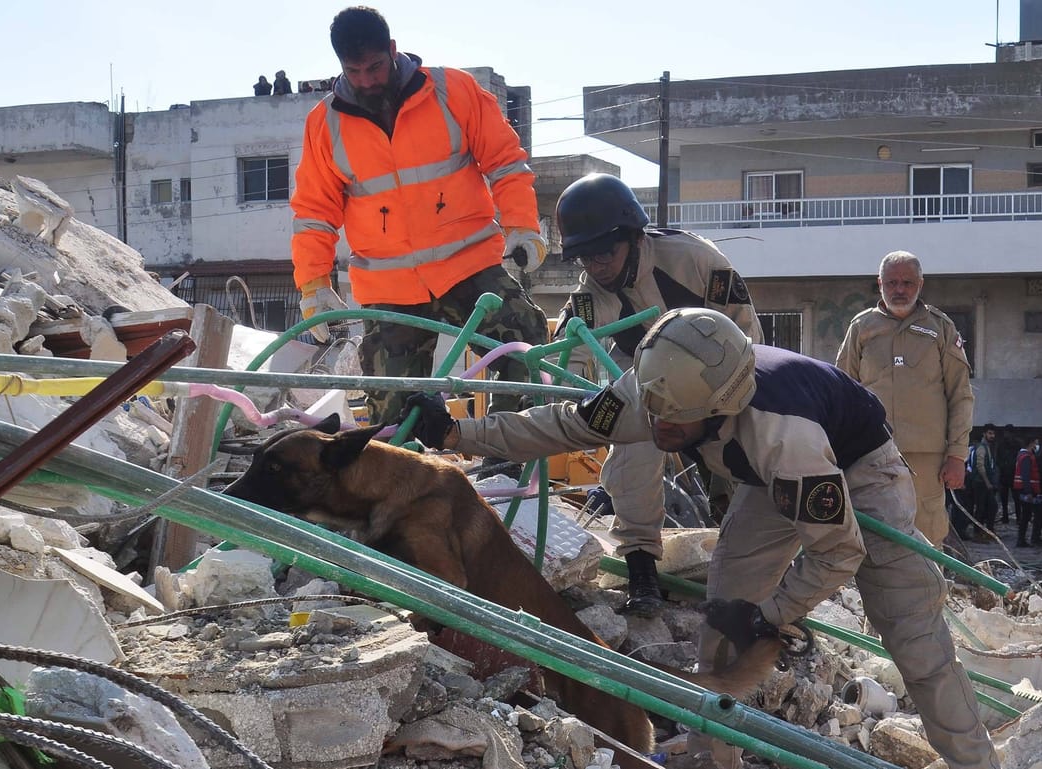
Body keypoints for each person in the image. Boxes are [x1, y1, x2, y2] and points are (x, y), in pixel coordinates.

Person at [411, 308, 998, 769]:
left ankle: (976, 765)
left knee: (912, 633)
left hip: (859, 469)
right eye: (655, 415)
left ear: (720, 408)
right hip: (768, 484)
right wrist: (459, 431)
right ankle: (711, 758)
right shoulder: (661, 390)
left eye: (674, 424)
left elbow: (838, 550)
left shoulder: (781, 435)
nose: (660, 429)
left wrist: (773, 616)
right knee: (723, 616)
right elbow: (569, 425)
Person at [290, 6, 549, 433]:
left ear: (392, 51)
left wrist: (522, 224)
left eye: (375, 66)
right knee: (393, 409)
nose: (368, 79)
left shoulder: (453, 91)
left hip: (469, 266)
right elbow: (314, 213)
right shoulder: (325, 125)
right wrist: (314, 286)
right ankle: (404, 486)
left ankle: (505, 452)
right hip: (389, 289)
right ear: (341, 66)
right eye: (355, 71)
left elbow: (505, 162)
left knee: (523, 342)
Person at [553, 172, 763, 616]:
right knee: (629, 450)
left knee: (739, 470)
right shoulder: (588, 297)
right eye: (585, 258)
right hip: (649, 386)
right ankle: (643, 570)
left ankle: (750, 579)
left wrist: (734, 401)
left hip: (718, 383)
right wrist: (575, 397)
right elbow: (568, 356)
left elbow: (746, 333)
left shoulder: (694, 261)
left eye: (606, 252)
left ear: (632, 236)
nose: (598, 266)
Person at [835, 250, 974, 548]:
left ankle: (929, 594)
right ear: (880, 283)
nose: (899, 290)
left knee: (927, 537)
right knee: (874, 533)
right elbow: (841, 393)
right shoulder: (861, 328)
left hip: (927, 460)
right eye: (892, 282)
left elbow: (960, 394)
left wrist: (958, 455)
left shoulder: (941, 328)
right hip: (870, 453)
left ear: (920, 284)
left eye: (907, 283)